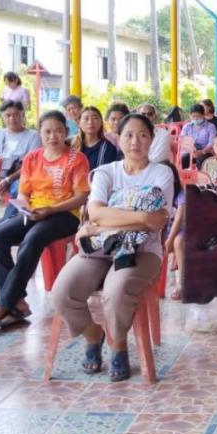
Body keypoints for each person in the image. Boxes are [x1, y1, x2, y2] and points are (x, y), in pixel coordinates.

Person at [52, 113, 173, 382]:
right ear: (118, 138)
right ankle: (93, 334)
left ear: (151, 140)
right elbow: (96, 212)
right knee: (62, 292)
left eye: (142, 135)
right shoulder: (106, 172)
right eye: (128, 135)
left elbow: (155, 223)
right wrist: (140, 216)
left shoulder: (162, 173)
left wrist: (101, 226)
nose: (135, 142)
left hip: (142, 251)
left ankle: (118, 344)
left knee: (116, 291)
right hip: (99, 250)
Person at [0, 111, 90, 335]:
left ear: (66, 132)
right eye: (47, 131)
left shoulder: (77, 159)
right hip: (34, 212)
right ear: (40, 133)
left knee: (34, 237)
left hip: (65, 214)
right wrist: (27, 208)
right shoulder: (32, 158)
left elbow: (81, 197)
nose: (53, 136)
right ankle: (17, 302)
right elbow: (24, 192)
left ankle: (2, 308)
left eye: (58, 131)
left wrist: (51, 210)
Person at [0, 101, 41, 221]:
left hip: (17, 177)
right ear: (2, 116)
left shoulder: (33, 136)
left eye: (16, 115)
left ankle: (6, 222)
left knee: (20, 187)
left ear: (23, 115)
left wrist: (8, 179)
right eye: (8, 115)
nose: (12, 118)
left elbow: (30, 166)